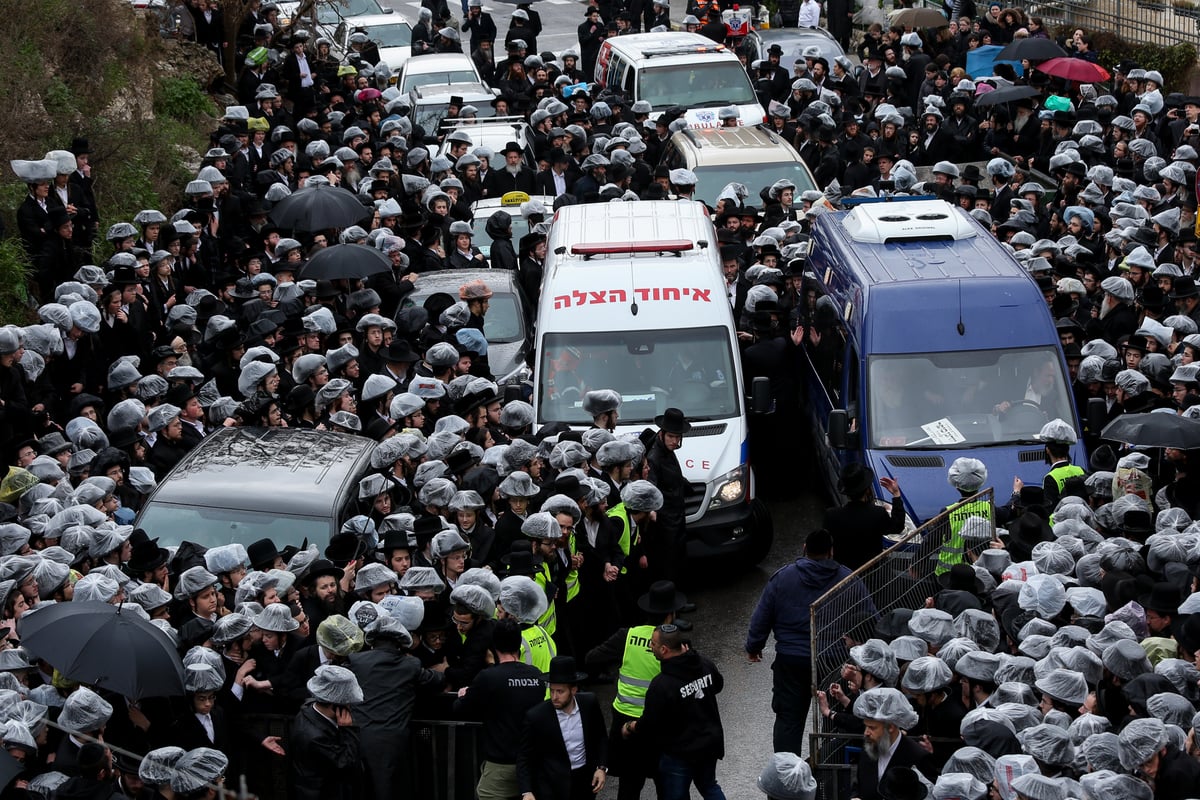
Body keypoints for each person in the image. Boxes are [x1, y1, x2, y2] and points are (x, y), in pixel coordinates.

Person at [746, 529, 876, 754]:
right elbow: (870, 618)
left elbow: (763, 614)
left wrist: (754, 646)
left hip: (791, 661)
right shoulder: (847, 579)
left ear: (805, 548)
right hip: (834, 661)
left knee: (789, 719)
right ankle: (831, 765)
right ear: (831, 551)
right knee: (835, 714)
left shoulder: (783, 577)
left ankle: (787, 775)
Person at [586, 580, 687, 800]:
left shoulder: (627, 636)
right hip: (659, 724)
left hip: (625, 723)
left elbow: (592, 658)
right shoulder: (672, 644)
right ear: (670, 615)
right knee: (665, 784)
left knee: (630, 785)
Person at [630, 623, 727, 800]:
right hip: (708, 744)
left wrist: (630, 727)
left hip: (680, 754)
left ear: (664, 649)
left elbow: (650, 724)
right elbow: (718, 685)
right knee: (709, 786)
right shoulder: (704, 663)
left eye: (653, 644)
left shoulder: (661, 685)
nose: (650, 647)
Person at [455, 618, 548, 800]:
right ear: (518, 642)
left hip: (500, 764)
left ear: (494, 644)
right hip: (532, 762)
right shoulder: (537, 675)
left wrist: (464, 695)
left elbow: (460, 709)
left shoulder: (488, 678)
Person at [517, 655, 608, 800]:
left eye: (560, 691)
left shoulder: (589, 703)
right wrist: (526, 791)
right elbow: (524, 757)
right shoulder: (537, 716)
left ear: (573, 690)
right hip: (551, 787)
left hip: (584, 783)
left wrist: (601, 768)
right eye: (552, 690)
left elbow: (601, 737)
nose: (554, 696)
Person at [288, 665, 364, 800]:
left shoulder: (309, 707)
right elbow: (346, 763)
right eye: (347, 703)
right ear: (333, 704)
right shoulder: (315, 736)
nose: (350, 707)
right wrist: (349, 730)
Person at [852, 688, 934, 800]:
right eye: (866, 726)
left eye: (872, 728)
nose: (866, 732)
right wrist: (855, 796)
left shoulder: (917, 756)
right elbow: (859, 783)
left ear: (890, 727)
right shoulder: (869, 748)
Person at [821, 463, 904, 571]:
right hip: (872, 574)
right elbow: (898, 526)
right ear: (867, 490)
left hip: (843, 575)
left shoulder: (831, 515)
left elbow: (825, 545)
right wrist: (896, 495)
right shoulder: (877, 513)